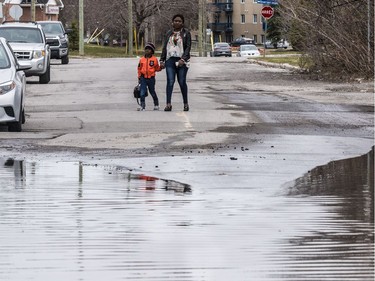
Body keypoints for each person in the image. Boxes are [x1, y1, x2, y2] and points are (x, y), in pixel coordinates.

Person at [160, 14, 191, 112]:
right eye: (175, 21)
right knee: (170, 81)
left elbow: (188, 47)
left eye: (179, 21)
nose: (177, 22)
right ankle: (168, 104)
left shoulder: (186, 33)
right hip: (170, 60)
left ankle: (185, 103)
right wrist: (162, 60)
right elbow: (165, 47)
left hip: (182, 61)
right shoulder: (169, 33)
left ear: (182, 23)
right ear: (172, 22)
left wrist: (183, 59)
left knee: (182, 82)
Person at [137, 42, 161, 111]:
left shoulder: (154, 59)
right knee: (142, 92)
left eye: (149, 49)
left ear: (152, 51)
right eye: (146, 49)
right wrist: (139, 77)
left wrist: (161, 67)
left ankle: (156, 104)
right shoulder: (142, 59)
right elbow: (139, 68)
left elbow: (157, 68)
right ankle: (142, 105)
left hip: (151, 78)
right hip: (143, 78)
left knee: (152, 91)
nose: (147, 50)